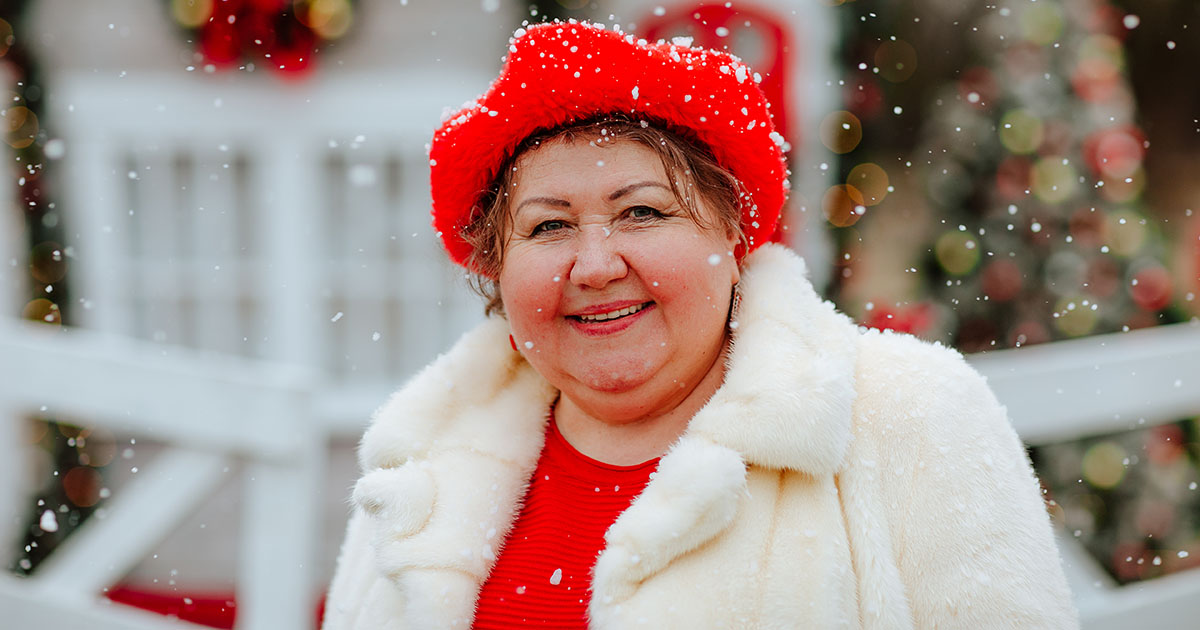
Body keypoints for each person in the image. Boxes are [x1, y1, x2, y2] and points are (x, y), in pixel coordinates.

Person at [322, 20, 1078, 630]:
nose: (593, 265)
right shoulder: (421, 459)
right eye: (548, 227)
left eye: (642, 212)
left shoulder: (909, 415)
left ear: (733, 233)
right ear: (496, 265)